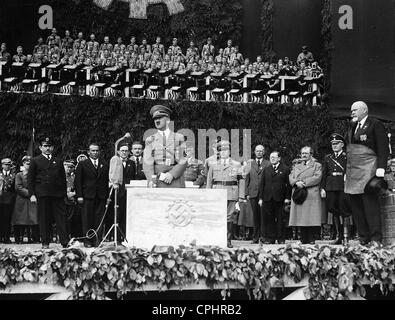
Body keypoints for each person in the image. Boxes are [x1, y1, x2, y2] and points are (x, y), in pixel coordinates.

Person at [344, 101, 389, 245]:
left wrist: (381, 167)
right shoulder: (352, 126)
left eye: (355, 110)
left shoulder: (375, 124)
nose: (352, 113)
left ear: (364, 110)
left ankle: (376, 239)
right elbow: (350, 150)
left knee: (370, 205)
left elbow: (383, 147)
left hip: (369, 169)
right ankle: (363, 237)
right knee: (356, 206)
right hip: (354, 171)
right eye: (351, 110)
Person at [27, 137, 69, 249]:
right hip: (42, 194)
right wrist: (32, 194)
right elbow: (30, 179)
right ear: (40, 148)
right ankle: (45, 242)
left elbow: (62, 179)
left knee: (61, 218)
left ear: (53, 148)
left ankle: (64, 241)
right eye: (45, 146)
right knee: (44, 218)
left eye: (49, 146)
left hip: (57, 194)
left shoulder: (58, 161)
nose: (47, 148)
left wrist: (64, 194)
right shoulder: (35, 160)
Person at [206, 140, 244, 248]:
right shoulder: (213, 165)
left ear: (230, 151)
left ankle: (228, 240)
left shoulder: (236, 164)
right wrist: (209, 194)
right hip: (217, 191)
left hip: (231, 192)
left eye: (226, 150)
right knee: (218, 216)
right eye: (221, 151)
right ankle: (217, 239)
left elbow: (241, 180)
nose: (223, 153)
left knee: (229, 217)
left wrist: (241, 196)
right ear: (218, 152)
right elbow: (209, 180)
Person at [143, 105, 187, 188]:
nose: (157, 121)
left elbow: (183, 160)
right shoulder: (150, 140)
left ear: (168, 120)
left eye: (160, 118)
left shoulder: (178, 137)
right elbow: (147, 163)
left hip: (175, 180)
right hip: (157, 180)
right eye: (155, 119)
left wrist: (172, 174)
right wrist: (151, 180)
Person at [75, 143, 109, 247]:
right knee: (87, 219)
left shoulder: (105, 163)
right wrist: (79, 195)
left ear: (99, 151)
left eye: (97, 150)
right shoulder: (82, 164)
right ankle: (87, 240)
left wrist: (107, 197)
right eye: (93, 151)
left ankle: (97, 240)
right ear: (88, 152)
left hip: (101, 196)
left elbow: (106, 181)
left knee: (99, 219)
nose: (95, 152)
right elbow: (78, 181)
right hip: (87, 196)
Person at [320, 133, 351, 244]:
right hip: (331, 186)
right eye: (333, 144)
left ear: (342, 144)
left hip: (343, 186)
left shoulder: (347, 156)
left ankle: (346, 236)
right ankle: (339, 236)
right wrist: (322, 188)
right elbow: (324, 174)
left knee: (344, 210)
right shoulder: (328, 158)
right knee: (333, 210)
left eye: (336, 143)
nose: (334, 145)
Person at [289, 146, 322, 244]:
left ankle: (312, 238)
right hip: (299, 193)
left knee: (311, 217)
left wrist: (303, 182)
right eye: (302, 153)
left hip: (310, 193)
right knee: (301, 217)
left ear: (311, 154)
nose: (303, 155)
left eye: (306, 153)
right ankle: (303, 238)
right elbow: (291, 176)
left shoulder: (317, 165)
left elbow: (317, 177)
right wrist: (295, 182)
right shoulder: (296, 166)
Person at [258, 151, 291, 244]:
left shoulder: (285, 169)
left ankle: (281, 238)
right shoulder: (266, 169)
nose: (272, 159)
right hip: (268, 198)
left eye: (274, 157)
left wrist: (287, 197)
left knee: (280, 219)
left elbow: (288, 185)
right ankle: (270, 238)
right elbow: (262, 185)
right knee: (269, 218)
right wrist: (260, 198)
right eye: (271, 157)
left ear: (279, 158)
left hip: (280, 198)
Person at [245, 145, 270, 243]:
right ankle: (255, 237)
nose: (259, 153)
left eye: (261, 151)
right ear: (254, 152)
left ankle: (264, 237)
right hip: (253, 193)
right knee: (255, 216)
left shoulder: (268, 163)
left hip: (264, 194)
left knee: (264, 216)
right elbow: (247, 179)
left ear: (264, 152)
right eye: (257, 151)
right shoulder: (249, 164)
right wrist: (246, 193)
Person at [12, 156, 39, 244]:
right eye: (27, 163)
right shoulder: (19, 175)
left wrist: (34, 194)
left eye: (31, 163)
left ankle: (35, 238)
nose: (29, 165)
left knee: (34, 219)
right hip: (22, 200)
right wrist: (30, 194)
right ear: (23, 164)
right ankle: (19, 238)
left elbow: (38, 186)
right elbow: (18, 187)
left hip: (33, 200)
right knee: (20, 220)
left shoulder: (36, 174)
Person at [115, 143, 136, 239]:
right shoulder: (114, 162)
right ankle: (116, 236)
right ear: (118, 151)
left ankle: (125, 234)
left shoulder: (131, 163)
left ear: (129, 152)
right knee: (117, 214)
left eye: (126, 151)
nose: (124, 152)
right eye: (122, 150)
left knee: (126, 214)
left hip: (128, 192)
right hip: (117, 192)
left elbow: (133, 178)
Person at [0, 158, 16, 243]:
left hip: (9, 200)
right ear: (2, 165)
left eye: (9, 165)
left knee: (7, 219)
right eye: (5, 165)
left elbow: (15, 188)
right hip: (0, 199)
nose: (7, 166)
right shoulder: (0, 175)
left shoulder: (14, 175)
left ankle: (6, 237)